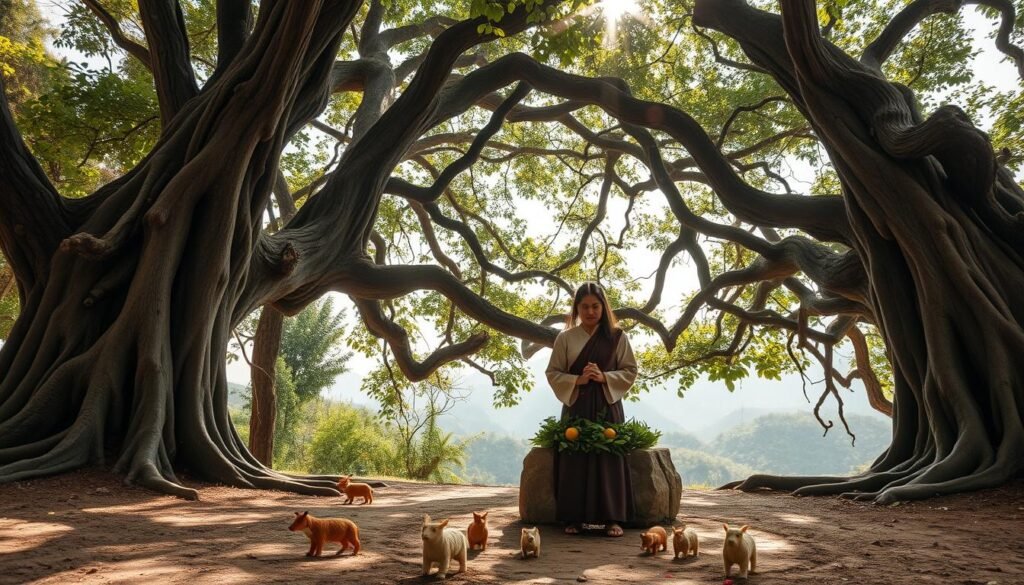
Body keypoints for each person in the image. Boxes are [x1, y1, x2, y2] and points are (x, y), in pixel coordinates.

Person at [545, 281, 638, 537]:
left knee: (608, 458)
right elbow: (553, 373)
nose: (590, 312)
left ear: (603, 307)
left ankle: (613, 519)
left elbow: (630, 370)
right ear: (577, 308)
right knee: (574, 460)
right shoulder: (565, 338)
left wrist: (604, 376)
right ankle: (573, 519)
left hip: (608, 405)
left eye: (595, 306)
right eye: (584, 306)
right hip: (576, 405)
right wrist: (579, 379)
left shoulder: (618, 337)